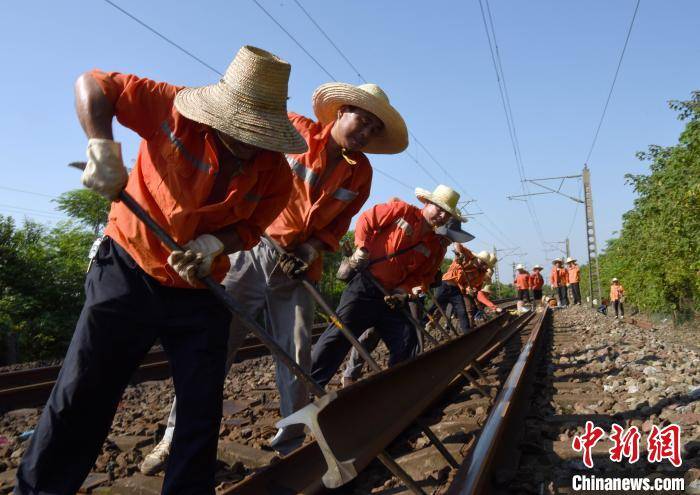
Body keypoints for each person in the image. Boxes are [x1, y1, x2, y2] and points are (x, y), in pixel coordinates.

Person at [15, 46, 305, 495]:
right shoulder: (170, 107)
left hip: (198, 284)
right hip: (128, 266)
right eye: (240, 128)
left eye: (258, 133)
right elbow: (94, 83)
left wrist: (213, 245)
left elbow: (249, 229)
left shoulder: (275, 175)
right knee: (84, 391)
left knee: (201, 402)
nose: (247, 142)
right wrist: (101, 146)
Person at [140, 81, 408, 469]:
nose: (364, 133)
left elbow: (337, 227)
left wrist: (310, 249)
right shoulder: (292, 130)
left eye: (372, 130)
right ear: (340, 112)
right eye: (361, 121)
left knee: (295, 355)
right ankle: (174, 440)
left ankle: (291, 441)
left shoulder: (359, 174)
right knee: (214, 346)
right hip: (248, 249)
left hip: (297, 269)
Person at [310, 185, 463, 388]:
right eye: (439, 208)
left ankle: (394, 389)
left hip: (390, 299)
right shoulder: (402, 211)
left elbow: (421, 277)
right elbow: (367, 219)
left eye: (446, 213)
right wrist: (362, 248)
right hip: (364, 287)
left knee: (407, 340)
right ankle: (309, 387)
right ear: (427, 203)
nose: (441, 216)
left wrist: (404, 292)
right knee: (338, 336)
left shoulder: (435, 246)